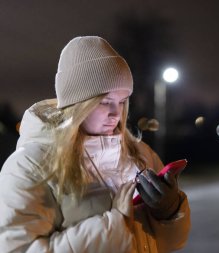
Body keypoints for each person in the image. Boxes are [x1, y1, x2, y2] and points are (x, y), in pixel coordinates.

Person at [0, 36, 191, 252]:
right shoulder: (28, 167)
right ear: (77, 104)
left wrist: (170, 211)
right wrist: (115, 224)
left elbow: (173, 244)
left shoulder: (141, 155)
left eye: (121, 101)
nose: (115, 113)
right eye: (104, 102)